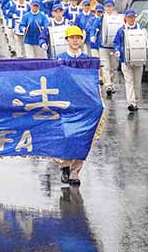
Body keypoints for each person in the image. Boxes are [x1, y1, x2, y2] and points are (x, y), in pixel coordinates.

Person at [56, 25, 89, 186]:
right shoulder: (60, 59)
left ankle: (75, 171)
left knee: (83, 137)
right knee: (67, 136)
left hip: (84, 104)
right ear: (67, 40)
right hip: (66, 104)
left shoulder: (87, 61)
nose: (75, 41)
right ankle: (65, 165)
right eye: (72, 38)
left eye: (78, 38)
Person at [113, 10, 144, 111]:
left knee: (137, 82)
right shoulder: (121, 30)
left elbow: (146, 42)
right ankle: (131, 102)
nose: (131, 19)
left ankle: (136, 100)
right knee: (129, 80)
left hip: (138, 60)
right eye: (129, 17)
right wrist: (117, 50)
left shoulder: (141, 29)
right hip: (125, 59)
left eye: (133, 17)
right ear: (125, 18)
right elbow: (116, 42)